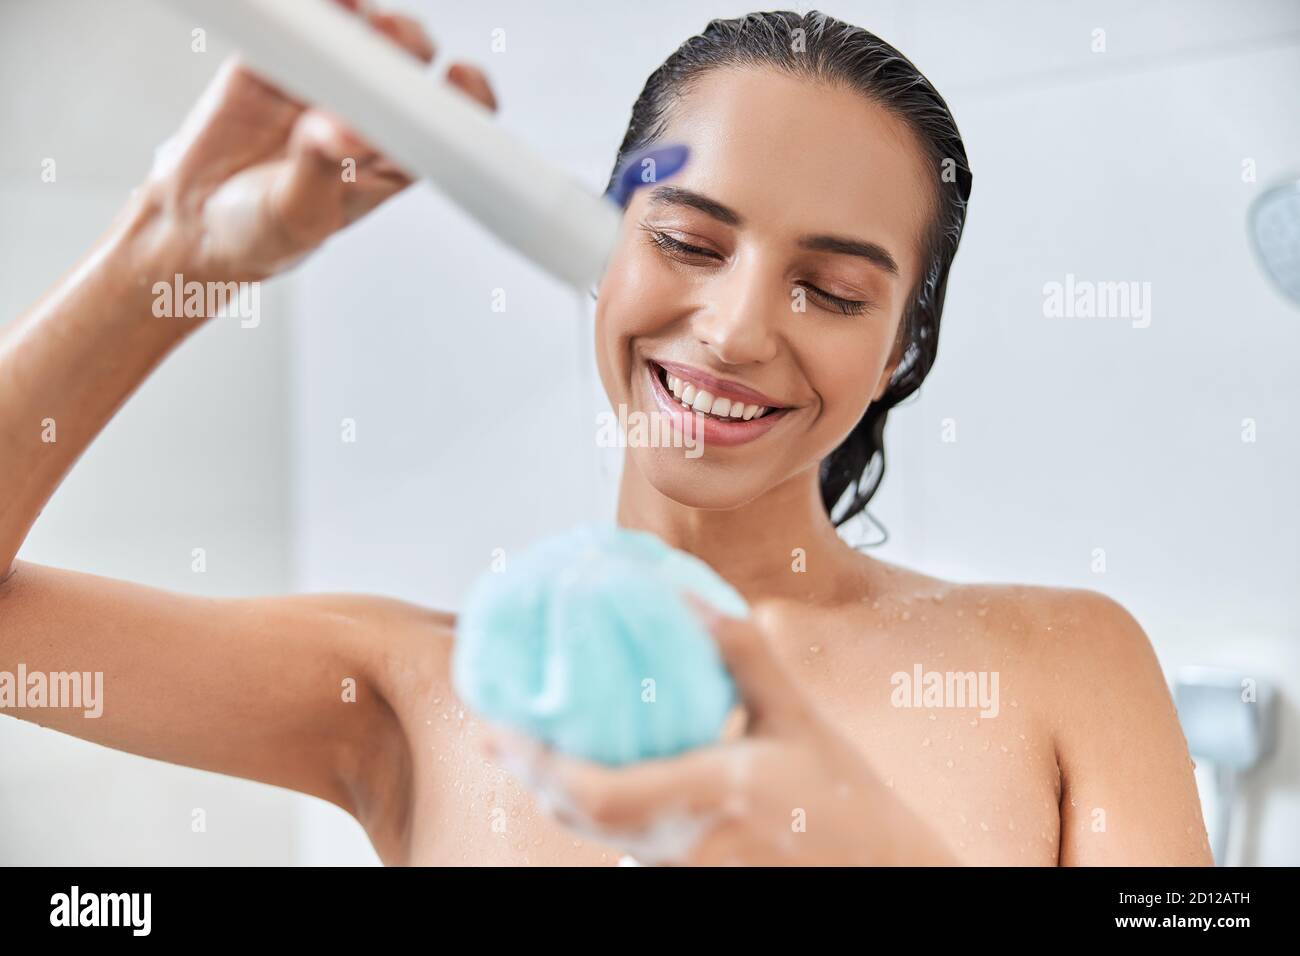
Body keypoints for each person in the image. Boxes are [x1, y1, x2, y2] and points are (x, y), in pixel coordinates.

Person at [0, 5, 1211, 865]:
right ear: (608, 248)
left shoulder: (1069, 665)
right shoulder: (414, 692)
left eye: (833, 290)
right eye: (686, 241)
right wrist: (170, 253)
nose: (735, 330)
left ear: (897, 348)